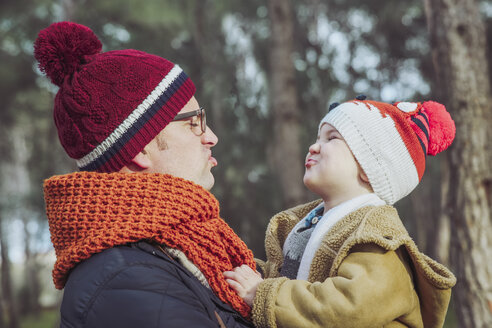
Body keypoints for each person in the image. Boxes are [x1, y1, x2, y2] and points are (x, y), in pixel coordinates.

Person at [35, 21, 255, 328]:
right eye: (193, 122)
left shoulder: (183, 246)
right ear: (140, 149)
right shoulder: (124, 282)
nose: (211, 137)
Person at [224, 96, 457, 328]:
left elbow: (348, 308)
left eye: (331, 138)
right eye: (317, 138)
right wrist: (237, 267)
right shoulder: (308, 224)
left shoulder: (378, 238)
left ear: (369, 168)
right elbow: (285, 277)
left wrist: (263, 294)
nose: (313, 146)